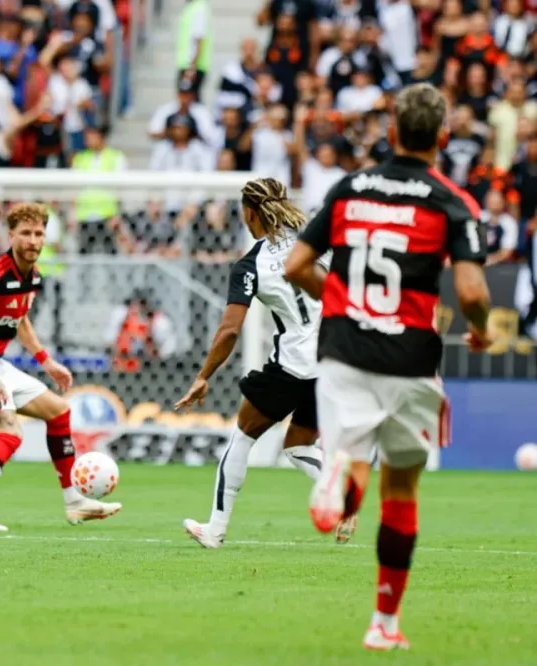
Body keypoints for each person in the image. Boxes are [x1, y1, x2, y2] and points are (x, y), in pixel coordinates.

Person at [284, 83, 492, 651]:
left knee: (352, 467)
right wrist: (481, 328)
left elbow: (296, 264)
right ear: (442, 137)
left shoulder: (350, 188)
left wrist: (341, 301)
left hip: (345, 352)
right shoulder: (452, 202)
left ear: (392, 131)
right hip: (410, 359)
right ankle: (384, 623)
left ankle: (337, 479)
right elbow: (472, 290)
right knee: (400, 491)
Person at [175, 178, 354, 549]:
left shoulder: (251, 264)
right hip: (333, 359)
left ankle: (215, 529)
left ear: (250, 213)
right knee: (298, 446)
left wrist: (204, 375)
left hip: (293, 366)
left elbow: (229, 331)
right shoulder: (315, 241)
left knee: (242, 436)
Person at [0, 202, 122, 531]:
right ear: (10, 235)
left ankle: (74, 502)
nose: (33, 240)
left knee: (59, 411)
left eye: (39, 233)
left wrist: (47, 361)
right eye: (25, 233)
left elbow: (21, 319)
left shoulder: (34, 275)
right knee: (10, 433)